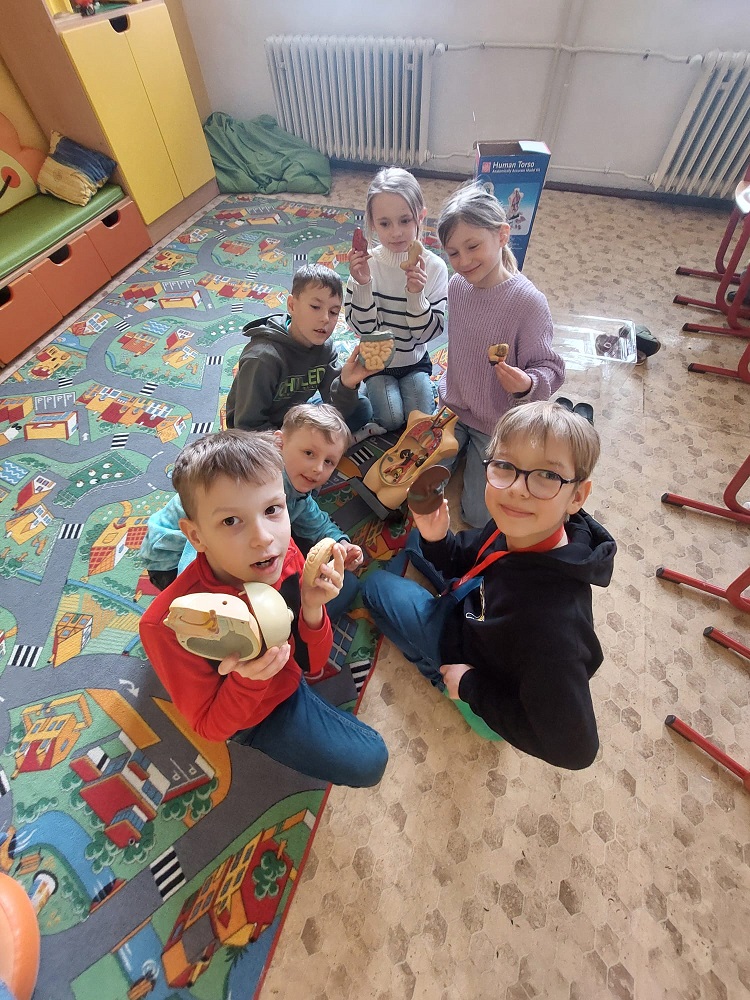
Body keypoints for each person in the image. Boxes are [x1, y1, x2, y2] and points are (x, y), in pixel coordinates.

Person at [362, 402, 616, 771]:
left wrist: (469, 685)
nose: (517, 489)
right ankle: (436, 556)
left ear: (577, 496)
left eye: (547, 474)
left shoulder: (552, 626)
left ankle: (442, 678)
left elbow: (575, 751)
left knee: (374, 586)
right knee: (420, 540)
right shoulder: (523, 525)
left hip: (472, 661)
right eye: (505, 466)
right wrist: (438, 540)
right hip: (478, 603)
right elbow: (472, 556)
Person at [139, 430, 388, 787]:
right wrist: (247, 682)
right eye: (230, 521)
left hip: (287, 666)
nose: (263, 538)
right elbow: (210, 727)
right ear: (196, 536)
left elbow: (310, 665)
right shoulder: (164, 626)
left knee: (345, 585)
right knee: (371, 761)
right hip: (257, 710)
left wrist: (312, 609)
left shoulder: (282, 556)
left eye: (272, 510)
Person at [140, 404, 364, 621]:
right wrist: (203, 606)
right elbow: (199, 555)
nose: (318, 468)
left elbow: (313, 517)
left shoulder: (294, 491)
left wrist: (341, 542)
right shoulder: (248, 489)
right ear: (280, 443)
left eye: (329, 462)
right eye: (309, 453)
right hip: (170, 558)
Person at [437, 182, 565, 527]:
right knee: (414, 483)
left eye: (473, 246)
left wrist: (527, 384)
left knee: (479, 516)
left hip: (497, 422)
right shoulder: (456, 286)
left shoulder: (528, 302)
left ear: (502, 235)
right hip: (453, 406)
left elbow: (551, 369)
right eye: (453, 253)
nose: (464, 261)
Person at [345, 166, 448, 432]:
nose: (396, 233)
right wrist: (363, 284)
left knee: (420, 418)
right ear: (372, 223)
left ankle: (387, 392)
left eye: (405, 220)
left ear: (420, 217)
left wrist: (415, 295)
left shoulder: (435, 268)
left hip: (414, 361)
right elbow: (361, 329)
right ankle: (366, 388)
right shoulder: (366, 265)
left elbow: (426, 335)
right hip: (376, 364)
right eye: (384, 223)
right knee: (391, 419)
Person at [226, 263, 374, 434]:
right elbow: (247, 427)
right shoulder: (262, 358)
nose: (325, 318)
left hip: (295, 416)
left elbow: (336, 408)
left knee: (361, 408)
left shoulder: (325, 347)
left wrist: (346, 384)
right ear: (292, 305)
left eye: (333, 312)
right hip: (259, 432)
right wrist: (292, 441)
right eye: (315, 307)